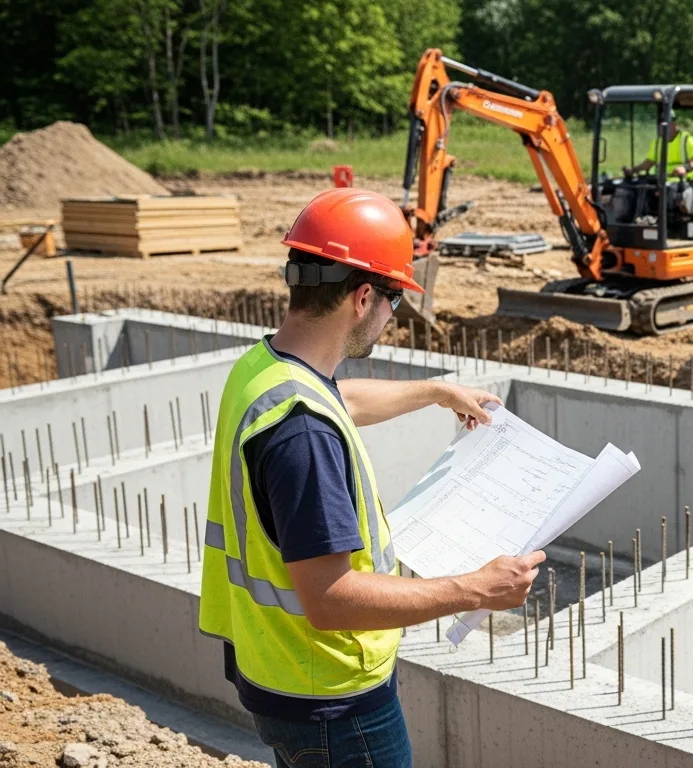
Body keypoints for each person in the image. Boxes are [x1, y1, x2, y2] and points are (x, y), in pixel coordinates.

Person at [198, 187, 545, 768]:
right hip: (331, 696)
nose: (391, 318)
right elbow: (331, 599)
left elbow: (342, 399)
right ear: (363, 297)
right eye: (394, 303)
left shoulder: (266, 369)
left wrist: (436, 390)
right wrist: (476, 589)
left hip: (280, 670)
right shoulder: (303, 433)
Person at [616, 116, 693, 224]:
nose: (663, 128)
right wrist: (632, 171)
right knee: (640, 188)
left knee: (668, 192)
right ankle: (640, 220)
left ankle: (666, 224)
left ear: (674, 125)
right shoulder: (658, 143)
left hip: (683, 181)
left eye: (667, 124)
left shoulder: (686, 140)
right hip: (662, 180)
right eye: (661, 125)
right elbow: (649, 162)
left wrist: (685, 168)